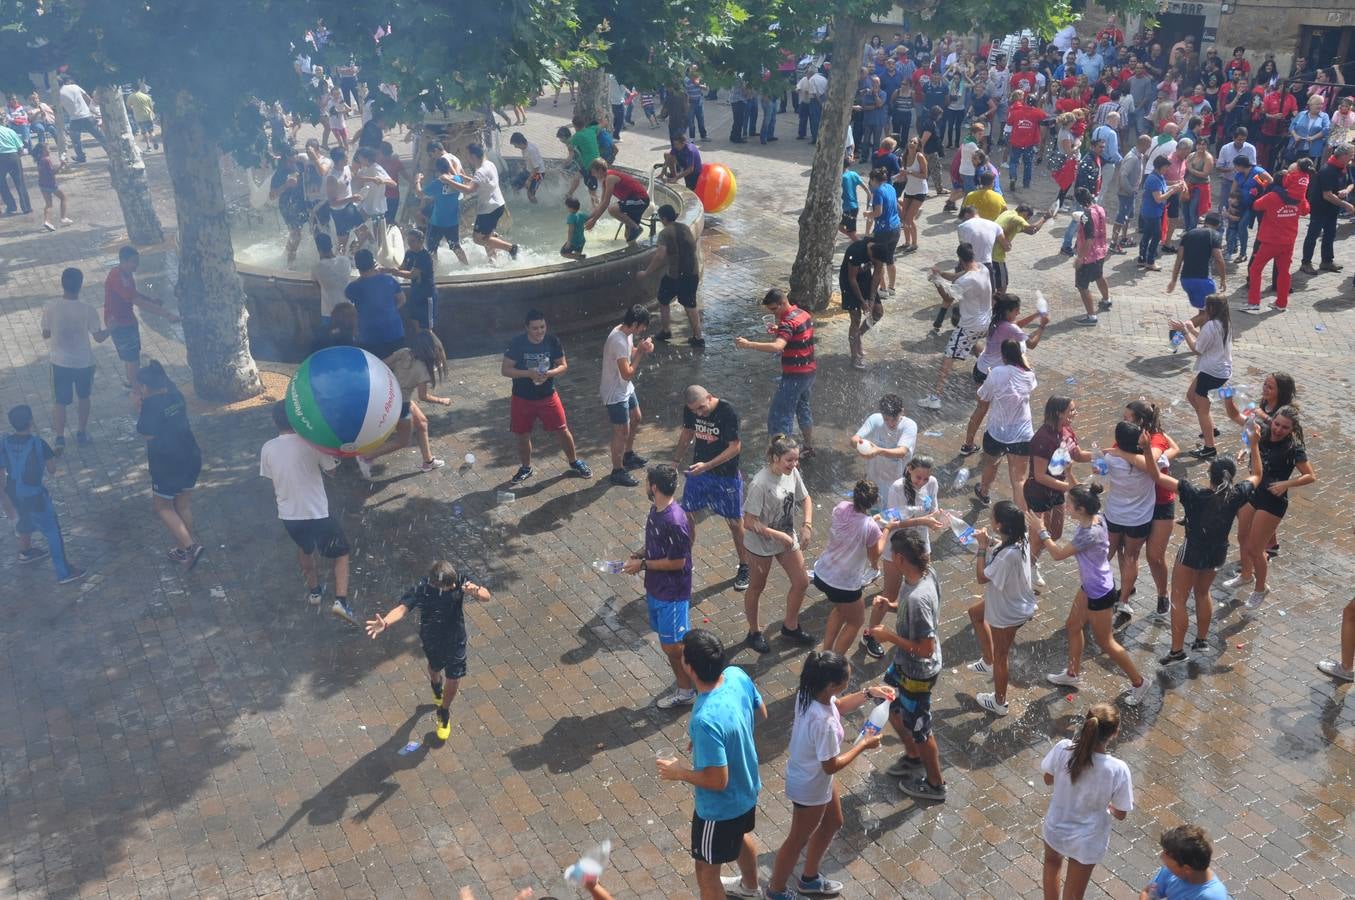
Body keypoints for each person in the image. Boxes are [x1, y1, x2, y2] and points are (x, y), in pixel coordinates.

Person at [764, 652, 890, 900]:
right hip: (810, 785)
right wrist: (863, 745)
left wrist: (869, 693)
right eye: (846, 679)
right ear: (832, 685)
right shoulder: (825, 725)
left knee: (834, 822)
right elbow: (830, 765)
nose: (848, 682)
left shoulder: (809, 693)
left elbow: (839, 706)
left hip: (811, 777)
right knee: (797, 840)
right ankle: (775, 891)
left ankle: (809, 879)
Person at [657, 630, 765, 899]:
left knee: (706, 871)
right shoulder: (737, 676)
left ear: (690, 668)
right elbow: (760, 712)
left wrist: (679, 772)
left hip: (719, 809)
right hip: (748, 788)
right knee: (739, 837)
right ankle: (751, 889)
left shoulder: (705, 719)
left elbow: (718, 781)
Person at [1030, 487, 1152, 706]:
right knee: (1072, 626)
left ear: (1081, 508)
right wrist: (1069, 468)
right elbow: (1083, 493)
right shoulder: (1095, 517)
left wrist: (1041, 530)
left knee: (1106, 642)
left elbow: (1057, 555)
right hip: (1090, 586)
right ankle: (1072, 673)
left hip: (1100, 592)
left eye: (1069, 504)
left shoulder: (1089, 533)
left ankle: (1139, 682)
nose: (1066, 507)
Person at [1149, 436, 1262, 665]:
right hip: (1218, 552)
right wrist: (1255, 445)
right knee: (1203, 593)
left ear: (1209, 474)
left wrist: (1144, 448)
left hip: (1192, 551)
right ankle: (1201, 640)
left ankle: (1177, 651)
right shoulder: (1236, 494)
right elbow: (1258, 475)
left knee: (1179, 599)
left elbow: (1156, 476)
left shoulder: (1193, 493)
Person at [365, 560, 492, 742]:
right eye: (450, 586)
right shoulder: (422, 589)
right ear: (435, 584)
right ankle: (435, 685)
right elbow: (402, 609)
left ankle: (444, 712)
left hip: (456, 639)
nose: (455, 587)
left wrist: (477, 592)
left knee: (454, 677)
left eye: (455, 583)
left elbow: (487, 596)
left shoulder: (459, 580)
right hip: (432, 639)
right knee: (434, 669)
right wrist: (385, 623)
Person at [864, 529, 947, 801]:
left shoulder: (918, 599)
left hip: (918, 674)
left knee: (922, 729)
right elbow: (905, 605)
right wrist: (889, 604)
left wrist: (888, 637)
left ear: (899, 558)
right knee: (886, 700)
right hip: (903, 667)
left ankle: (936, 784)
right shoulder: (922, 574)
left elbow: (926, 649)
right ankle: (912, 755)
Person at [259, 401, 355, 622]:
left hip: (289, 516)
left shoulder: (268, 448)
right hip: (317, 513)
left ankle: (314, 592)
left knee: (305, 548)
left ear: (275, 421)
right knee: (341, 553)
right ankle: (341, 602)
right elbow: (332, 472)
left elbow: (273, 480)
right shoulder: (312, 443)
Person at [1222, 406, 1315, 610]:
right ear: (1272, 421)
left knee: (1256, 549)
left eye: (1284, 427)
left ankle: (1261, 588)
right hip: (1255, 491)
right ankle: (1246, 575)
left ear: (1292, 429)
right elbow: (1250, 441)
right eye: (1277, 424)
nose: (1278, 429)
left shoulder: (1294, 447)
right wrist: (1244, 450)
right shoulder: (1263, 432)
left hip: (1273, 499)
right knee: (1242, 537)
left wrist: (1286, 484)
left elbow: (1310, 475)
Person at [1040, 705, 1133, 900]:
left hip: (1056, 826)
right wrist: (1109, 807)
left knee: (1051, 865)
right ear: (1115, 733)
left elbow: (1048, 779)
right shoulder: (1117, 769)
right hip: (1088, 839)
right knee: (1074, 893)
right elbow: (1122, 813)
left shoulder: (1063, 748)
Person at [741, 435, 817, 650]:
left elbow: (806, 498)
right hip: (760, 544)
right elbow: (748, 521)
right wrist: (778, 535)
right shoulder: (760, 483)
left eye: (796, 460)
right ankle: (753, 632)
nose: (794, 465)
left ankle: (790, 627)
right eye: (789, 460)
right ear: (775, 458)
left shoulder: (792, 473)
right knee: (757, 587)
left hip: (785, 537)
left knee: (801, 581)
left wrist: (807, 525)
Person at [501, 310, 591, 484]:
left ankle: (574, 461)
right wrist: (528, 373)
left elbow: (563, 366)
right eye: (535, 328)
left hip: (547, 395)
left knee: (562, 429)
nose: (539, 331)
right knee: (522, 434)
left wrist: (549, 373)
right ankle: (526, 467)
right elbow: (505, 370)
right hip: (522, 397)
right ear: (526, 328)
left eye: (542, 327)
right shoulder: (517, 343)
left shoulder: (552, 341)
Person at [674, 385, 749, 590]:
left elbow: (735, 447)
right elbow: (688, 432)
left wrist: (707, 466)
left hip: (726, 476)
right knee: (687, 516)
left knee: (734, 523)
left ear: (709, 397)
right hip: (698, 473)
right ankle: (684, 562)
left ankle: (745, 566)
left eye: (701, 408)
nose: (699, 414)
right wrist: (675, 461)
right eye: (695, 411)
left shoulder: (727, 411)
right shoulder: (691, 410)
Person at [1, 404, 84, 583]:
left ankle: (25, 552)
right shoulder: (39, 443)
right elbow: (52, 469)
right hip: (34, 495)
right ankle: (64, 573)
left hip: (13, 492)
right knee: (52, 531)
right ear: (31, 421)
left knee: (24, 519)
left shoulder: (4, 441)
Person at [135, 361, 204, 569]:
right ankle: (184, 550)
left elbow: (147, 434)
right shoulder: (177, 396)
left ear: (146, 387)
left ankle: (191, 547)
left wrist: (140, 407)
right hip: (190, 455)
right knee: (182, 504)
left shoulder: (150, 405)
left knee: (162, 506)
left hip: (167, 463)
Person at [355, 331, 450, 476]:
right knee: (402, 441)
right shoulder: (423, 370)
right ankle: (366, 457)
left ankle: (428, 461)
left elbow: (381, 365)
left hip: (390, 395)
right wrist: (442, 400)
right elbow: (423, 396)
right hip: (401, 404)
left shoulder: (404, 352)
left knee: (422, 423)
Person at [735, 289, 816, 456]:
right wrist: (779, 328)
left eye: (773, 309)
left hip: (794, 376)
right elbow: (797, 332)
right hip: (809, 373)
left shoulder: (787, 323)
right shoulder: (803, 314)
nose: (773, 313)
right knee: (803, 409)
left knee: (779, 418)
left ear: (782, 304)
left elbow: (778, 346)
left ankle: (784, 457)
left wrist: (749, 344)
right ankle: (808, 447)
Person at [813, 480, 887, 656]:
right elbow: (874, 555)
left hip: (823, 573)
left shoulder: (841, 507)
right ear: (874, 501)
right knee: (856, 621)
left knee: (840, 610)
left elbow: (854, 525)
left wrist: (872, 521)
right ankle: (833, 663)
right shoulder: (870, 527)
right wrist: (887, 530)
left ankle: (826, 653)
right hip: (844, 584)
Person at [42, 267, 108, 451]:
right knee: (84, 397)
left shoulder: (51, 307)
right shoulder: (87, 310)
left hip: (59, 362)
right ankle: (81, 432)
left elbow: (46, 333)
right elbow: (99, 337)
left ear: (62, 284)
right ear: (80, 285)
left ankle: (60, 437)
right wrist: (113, 328)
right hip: (83, 362)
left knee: (60, 401)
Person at [918, 242, 990, 410]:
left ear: (960, 259)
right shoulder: (982, 268)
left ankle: (936, 396)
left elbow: (948, 298)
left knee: (949, 356)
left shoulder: (966, 280)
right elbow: (958, 276)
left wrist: (936, 280)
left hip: (970, 325)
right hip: (986, 322)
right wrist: (942, 274)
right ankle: (991, 373)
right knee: (972, 345)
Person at [103, 246, 180, 393]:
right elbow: (140, 303)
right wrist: (167, 314)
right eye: (133, 262)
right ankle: (137, 392)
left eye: (137, 261)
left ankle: (131, 382)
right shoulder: (118, 278)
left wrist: (150, 299)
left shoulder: (124, 273)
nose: (136, 265)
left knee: (130, 356)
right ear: (123, 261)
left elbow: (135, 294)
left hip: (125, 320)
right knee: (133, 360)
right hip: (119, 324)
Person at [974, 340, 1037, 509]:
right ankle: (1023, 522)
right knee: (1019, 480)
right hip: (1022, 435)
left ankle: (984, 492)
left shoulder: (996, 372)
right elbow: (1026, 376)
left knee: (991, 464)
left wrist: (990, 377)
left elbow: (982, 397)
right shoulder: (1028, 375)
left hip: (997, 433)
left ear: (1002, 355)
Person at [1171, 295, 1232, 460]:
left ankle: (1210, 447)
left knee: (1202, 409)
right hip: (1218, 370)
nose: (1203, 310)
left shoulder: (1211, 325)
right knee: (1191, 396)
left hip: (1212, 372)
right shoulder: (1223, 322)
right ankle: (1211, 429)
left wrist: (1185, 332)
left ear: (1211, 309)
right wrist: (1191, 330)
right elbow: (1206, 341)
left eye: (1206, 307)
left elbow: (1197, 349)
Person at [600, 304, 653, 487]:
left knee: (636, 417)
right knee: (621, 431)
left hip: (625, 388)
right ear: (636, 323)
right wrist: (641, 354)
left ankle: (628, 455)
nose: (644, 329)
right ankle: (617, 470)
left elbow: (630, 353)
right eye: (643, 326)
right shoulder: (618, 340)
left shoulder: (626, 333)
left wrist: (641, 347)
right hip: (614, 392)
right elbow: (627, 373)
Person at [640, 204, 705, 345]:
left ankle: (666, 331)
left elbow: (660, 255)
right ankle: (698, 337)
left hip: (676, 275)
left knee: (663, 300)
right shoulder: (685, 228)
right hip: (692, 273)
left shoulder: (665, 233)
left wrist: (646, 272)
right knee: (690, 305)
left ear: (664, 218)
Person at [1299, 143, 1354, 276]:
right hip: (1320, 208)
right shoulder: (1327, 170)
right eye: (1351, 154)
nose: (1352, 157)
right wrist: (1346, 205)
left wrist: (1346, 190)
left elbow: (1351, 183)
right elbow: (1327, 195)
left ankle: (1327, 261)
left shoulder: (1344, 167)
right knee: (1313, 235)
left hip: (1333, 208)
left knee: (1330, 234)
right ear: (1343, 155)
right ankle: (1306, 262)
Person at [343, 249, 405, 360]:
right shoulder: (389, 280)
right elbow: (402, 300)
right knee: (397, 369)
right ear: (373, 263)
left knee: (375, 370)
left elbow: (348, 298)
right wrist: (391, 310)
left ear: (357, 266)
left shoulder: (354, 287)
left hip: (369, 336)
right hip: (394, 332)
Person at [1141, 824, 1230, 899]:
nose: (1161, 856)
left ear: (1186, 868)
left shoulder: (1213, 896)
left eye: (1166, 854)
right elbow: (1147, 893)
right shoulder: (1170, 871)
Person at [464, 143, 520, 261]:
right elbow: (483, 183)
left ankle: (511, 248)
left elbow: (469, 190)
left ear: (473, 156)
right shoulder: (489, 165)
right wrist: (467, 178)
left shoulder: (480, 171)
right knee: (486, 236)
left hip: (487, 210)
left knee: (478, 238)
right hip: (498, 205)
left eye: (467, 155)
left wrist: (449, 181)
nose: (466, 157)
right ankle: (493, 259)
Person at [850, 394, 917, 491]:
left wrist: (878, 451)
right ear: (881, 413)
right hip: (873, 481)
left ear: (902, 412)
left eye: (894, 419)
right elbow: (853, 440)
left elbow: (902, 452)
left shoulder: (909, 426)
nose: (890, 423)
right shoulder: (875, 420)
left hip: (897, 484)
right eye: (886, 419)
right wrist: (858, 445)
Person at [1167, 212, 1227, 310]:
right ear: (1218, 225)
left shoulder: (1189, 234)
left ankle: (1189, 325)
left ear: (1205, 221)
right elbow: (1219, 259)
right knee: (1211, 313)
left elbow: (1179, 259)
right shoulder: (1214, 235)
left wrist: (1173, 280)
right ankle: (1186, 325)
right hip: (1203, 280)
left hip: (1186, 281)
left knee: (1204, 311)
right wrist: (1223, 279)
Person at [417, 158, 471, 265]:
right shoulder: (457, 180)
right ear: (448, 167)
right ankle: (466, 266)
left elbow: (419, 193)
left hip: (437, 222)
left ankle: (435, 271)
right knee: (455, 246)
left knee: (432, 249)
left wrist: (418, 180)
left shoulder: (437, 183)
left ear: (437, 169)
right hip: (453, 221)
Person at [837, 234, 880, 370]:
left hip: (865, 279)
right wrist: (862, 301)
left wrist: (872, 299)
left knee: (878, 312)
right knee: (855, 318)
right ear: (870, 252)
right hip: (849, 282)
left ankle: (858, 336)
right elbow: (852, 279)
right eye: (873, 260)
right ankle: (854, 357)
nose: (874, 262)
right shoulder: (855, 251)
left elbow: (878, 274)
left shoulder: (880, 249)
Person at [1071, 187, 1111, 325]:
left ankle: (1091, 316)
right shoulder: (1100, 209)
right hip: (1101, 251)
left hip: (1089, 255)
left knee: (1082, 286)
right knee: (1099, 276)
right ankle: (1106, 300)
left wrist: (1080, 258)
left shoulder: (1087, 214)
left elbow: (1089, 238)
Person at [584, 159, 650, 245]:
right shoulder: (605, 181)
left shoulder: (610, 178)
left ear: (599, 170)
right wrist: (588, 218)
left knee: (612, 209)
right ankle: (635, 232)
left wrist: (594, 220)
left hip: (641, 200)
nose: (592, 175)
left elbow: (606, 202)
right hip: (632, 202)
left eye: (593, 172)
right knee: (629, 237)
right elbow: (601, 203)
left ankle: (636, 227)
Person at [386, 228, 436, 330]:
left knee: (427, 328)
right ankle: (420, 344)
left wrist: (394, 271)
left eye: (412, 241)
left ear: (421, 241)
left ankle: (432, 345)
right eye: (408, 241)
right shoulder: (409, 253)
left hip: (426, 295)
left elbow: (412, 275)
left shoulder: (424, 256)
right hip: (415, 293)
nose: (409, 244)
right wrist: (386, 269)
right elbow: (401, 268)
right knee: (414, 321)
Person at [864, 167, 901, 298]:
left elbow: (878, 212)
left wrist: (868, 213)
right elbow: (897, 206)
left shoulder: (877, 192)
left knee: (879, 261)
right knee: (890, 259)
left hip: (883, 230)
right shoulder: (891, 188)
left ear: (874, 179)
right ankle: (892, 287)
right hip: (895, 228)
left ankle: (883, 289)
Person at [1138, 155, 1179, 270]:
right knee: (1156, 236)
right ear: (1160, 167)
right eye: (1166, 167)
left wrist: (1174, 186)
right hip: (1152, 213)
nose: (1167, 170)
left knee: (1147, 234)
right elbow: (1159, 198)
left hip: (1151, 211)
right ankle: (1150, 261)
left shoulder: (1158, 177)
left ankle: (1142, 258)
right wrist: (1173, 191)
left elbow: (1164, 188)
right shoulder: (1154, 179)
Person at [56, 76, 106, 164]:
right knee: (99, 136)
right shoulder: (75, 86)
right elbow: (87, 97)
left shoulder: (58, 93)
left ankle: (81, 156)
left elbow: (60, 108)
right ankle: (111, 152)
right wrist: (93, 109)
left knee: (75, 139)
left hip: (75, 119)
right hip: (87, 115)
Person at [309, 232, 352, 330]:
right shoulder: (345, 261)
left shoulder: (316, 267)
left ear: (318, 249)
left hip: (328, 312)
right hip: (347, 309)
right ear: (331, 245)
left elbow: (316, 288)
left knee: (331, 340)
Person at [33, 144, 70, 231]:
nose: (50, 150)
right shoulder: (47, 160)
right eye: (48, 149)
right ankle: (63, 218)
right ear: (43, 151)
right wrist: (62, 165)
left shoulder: (39, 160)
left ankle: (47, 221)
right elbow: (52, 172)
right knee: (63, 197)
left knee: (48, 204)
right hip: (50, 184)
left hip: (42, 184)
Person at [507, 132, 546, 203]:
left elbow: (536, 168)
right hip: (529, 171)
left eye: (515, 145)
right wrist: (524, 168)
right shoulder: (524, 148)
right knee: (514, 185)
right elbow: (528, 161)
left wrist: (529, 180)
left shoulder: (531, 150)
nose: (515, 147)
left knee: (530, 194)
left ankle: (536, 207)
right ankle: (518, 202)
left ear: (520, 142)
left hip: (539, 174)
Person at [839, 160, 868, 239]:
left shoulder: (841, 177)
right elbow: (865, 187)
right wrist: (869, 197)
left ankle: (859, 244)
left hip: (848, 208)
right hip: (854, 207)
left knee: (851, 233)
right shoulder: (854, 174)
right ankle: (855, 240)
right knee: (840, 227)